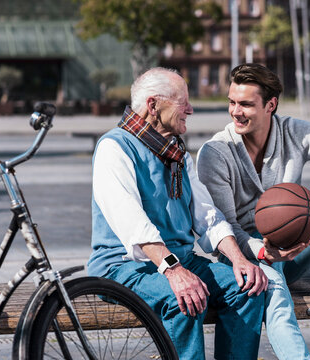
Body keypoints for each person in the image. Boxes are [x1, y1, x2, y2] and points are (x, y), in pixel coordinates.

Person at [196, 63, 310, 360]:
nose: (235, 111)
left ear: (271, 105)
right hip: (250, 256)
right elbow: (225, 228)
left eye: (246, 104)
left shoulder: (293, 131)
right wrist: (264, 252)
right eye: (232, 102)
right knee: (276, 293)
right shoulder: (215, 153)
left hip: (298, 246)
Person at [87, 67, 268, 360]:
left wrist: (239, 260)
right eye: (182, 101)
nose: (190, 108)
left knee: (247, 288)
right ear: (153, 105)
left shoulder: (178, 154)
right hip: (123, 266)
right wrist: (172, 270)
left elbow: (208, 218)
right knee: (181, 299)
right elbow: (132, 223)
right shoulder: (114, 147)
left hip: (180, 261)